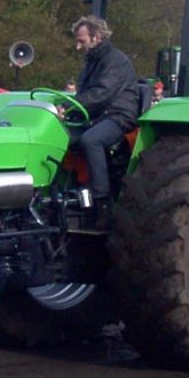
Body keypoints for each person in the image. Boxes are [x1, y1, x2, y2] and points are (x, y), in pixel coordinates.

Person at [69, 15, 139, 230]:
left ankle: (103, 203)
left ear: (97, 37)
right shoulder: (91, 63)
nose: (78, 47)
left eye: (82, 41)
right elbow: (85, 94)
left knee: (91, 140)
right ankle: (70, 195)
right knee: (63, 137)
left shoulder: (115, 61)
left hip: (118, 114)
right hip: (97, 115)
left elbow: (102, 93)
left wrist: (70, 106)